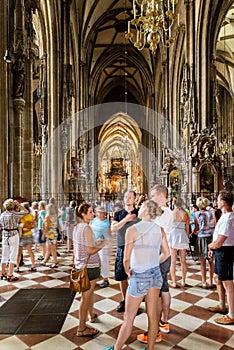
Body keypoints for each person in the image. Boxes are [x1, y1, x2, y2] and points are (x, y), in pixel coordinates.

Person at [103, 200, 170, 350]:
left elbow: (126, 258)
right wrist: (153, 263)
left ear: (146, 210)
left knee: (129, 318)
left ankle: (117, 348)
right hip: (155, 275)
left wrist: (128, 270)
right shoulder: (160, 229)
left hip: (140, 276)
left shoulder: (133, 230)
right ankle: (150, 348)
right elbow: (167, 254)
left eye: (143, 205)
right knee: (153, 317)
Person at [137, 184, 172, 343]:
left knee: (154, 295)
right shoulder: (168, 211)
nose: (150, 199)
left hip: (158, 254)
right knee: (164, 289)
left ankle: (155, 332)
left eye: (152, 196)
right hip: (165, 253)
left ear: (159, 195)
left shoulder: (161, 213)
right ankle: (164, 322)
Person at [73, 203, 106, 337]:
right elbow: (90, 250)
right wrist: (103, 244)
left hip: (80, 265)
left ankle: (91, 315)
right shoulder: (86, 228)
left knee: (89, 294)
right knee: (85, 298)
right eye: (91, 212)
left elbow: (82, 246)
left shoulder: (77, 227)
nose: (93, 214)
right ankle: (81, 328)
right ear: (83, 214)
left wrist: (96, 241)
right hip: (89, 267)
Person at [207, 191, 234, 325]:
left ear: (223, 202)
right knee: (218, 278)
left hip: (225, 252)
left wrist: (210, 246)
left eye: (218, 200)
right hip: (220, 251)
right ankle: (222, 304)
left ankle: (232, 314)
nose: (217, 202)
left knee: (228, 283)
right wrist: (213, 248)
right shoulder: (225, 216)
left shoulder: (228, 218)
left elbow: (220, 241)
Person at [111, 190, 139, 312]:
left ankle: (135, 300)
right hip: (122, 246)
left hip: (136, 248)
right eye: (125, 197)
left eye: (130, 197)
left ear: (134, 199)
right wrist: (126, 219)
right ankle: (125, 300)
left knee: (135, 274)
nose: (127, 199)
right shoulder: (118, 214)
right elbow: (113, 228)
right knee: (122, 275)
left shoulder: (139, 213)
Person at [0, 199, 27, 281]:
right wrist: (19, 205)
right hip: (13, 235)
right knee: (13, 255)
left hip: (5, 235)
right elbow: (26, 212)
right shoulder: (14, 214)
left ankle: (3, 273)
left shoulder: (2, 215)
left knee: (4, 255)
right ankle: (10, 274)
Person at [194, 196, 215, 288]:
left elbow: (196, 227)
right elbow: (214, 224)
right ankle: (211, 281)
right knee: (211, 261)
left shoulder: (196, 214)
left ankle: (203, 282)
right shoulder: (211, 213)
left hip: (201, 237)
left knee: (202, 262)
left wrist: (195, 231)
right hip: (210, 237)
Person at [169, 197, 190, 287]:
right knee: (183, 261)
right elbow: (187, 230)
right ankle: (183, 281)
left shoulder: (171, 214)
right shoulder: (185, 214)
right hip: (182, 235)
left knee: (173, 261)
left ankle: (174, 282)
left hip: (173, 235)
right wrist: (187, 238)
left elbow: (168, 227)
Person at [90, 206, 111, 288]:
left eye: (100, 212)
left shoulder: (106, 223)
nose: (98, 214)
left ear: (103, 213)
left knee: (103, 261)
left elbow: (108, 235)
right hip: (93, 243)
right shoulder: (94, 221)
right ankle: (95, 278)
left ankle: (106, 279)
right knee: (95, 261)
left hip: (103, 245)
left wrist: (102, 240)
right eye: (97, 212)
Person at [15, 202, 37, 272]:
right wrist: (29, 227)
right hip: (29, 234)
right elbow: (34, 225)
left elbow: (18, 225)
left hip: (22, 235)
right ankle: (33, 265)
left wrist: (23, 226)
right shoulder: (30, 215)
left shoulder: (21, 216)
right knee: (30, 251)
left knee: (19, 252)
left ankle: (17, 266)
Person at [40, 203, 59, 268]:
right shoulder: (55, 216)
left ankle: (55, 262)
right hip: (54, 233)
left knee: (52, 249)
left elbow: (47, 226)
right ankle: (44, 260)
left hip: (50, 234)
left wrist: (43, 234)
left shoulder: (48, 216)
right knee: (48, 248)